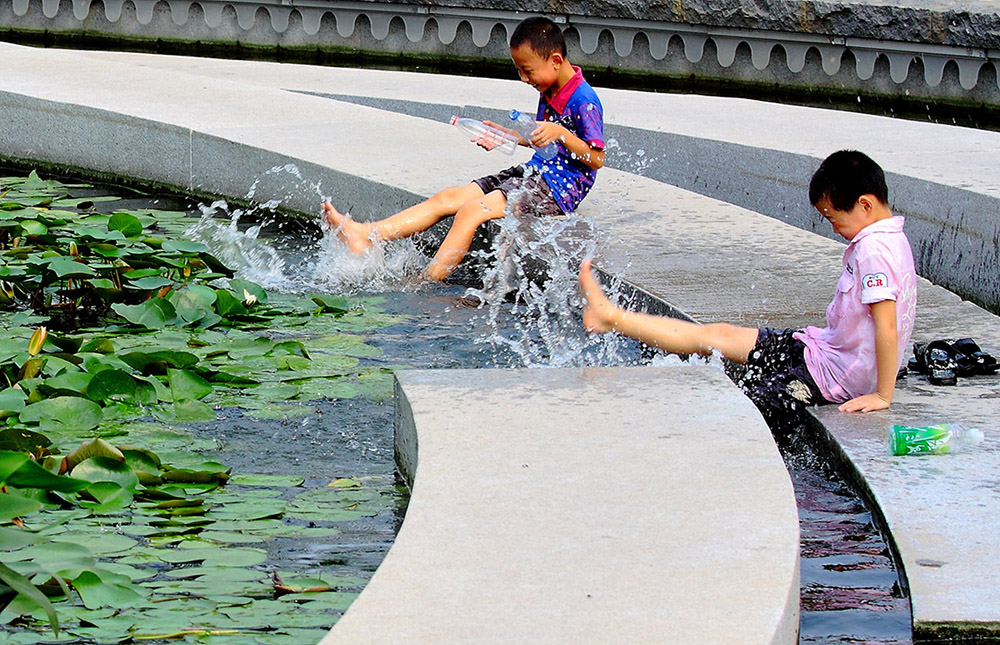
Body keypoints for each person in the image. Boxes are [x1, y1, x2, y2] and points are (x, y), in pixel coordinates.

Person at [579, 150, 918, 417]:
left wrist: (882, 394)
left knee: (742, 409)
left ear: (865, 204)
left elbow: (887, 327)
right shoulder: (891, 239)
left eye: (832, 217)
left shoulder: (874, 250)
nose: (832, 228)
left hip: (830, 377)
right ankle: (611, 316)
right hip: (822, 352)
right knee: (717, 336)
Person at [322, 16, 605, 281]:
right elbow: (547, 141)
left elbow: (596, 158)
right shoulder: (550, 88)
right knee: (448, 198)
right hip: (535, 173)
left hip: (557, 190)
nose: (523, 78)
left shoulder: (584, 99)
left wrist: (562, 133)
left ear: (555, 60)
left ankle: (426, 283)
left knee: (470, 212)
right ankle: (366, 234)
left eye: (527, 70)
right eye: (519, 70)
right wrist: (512, 137)